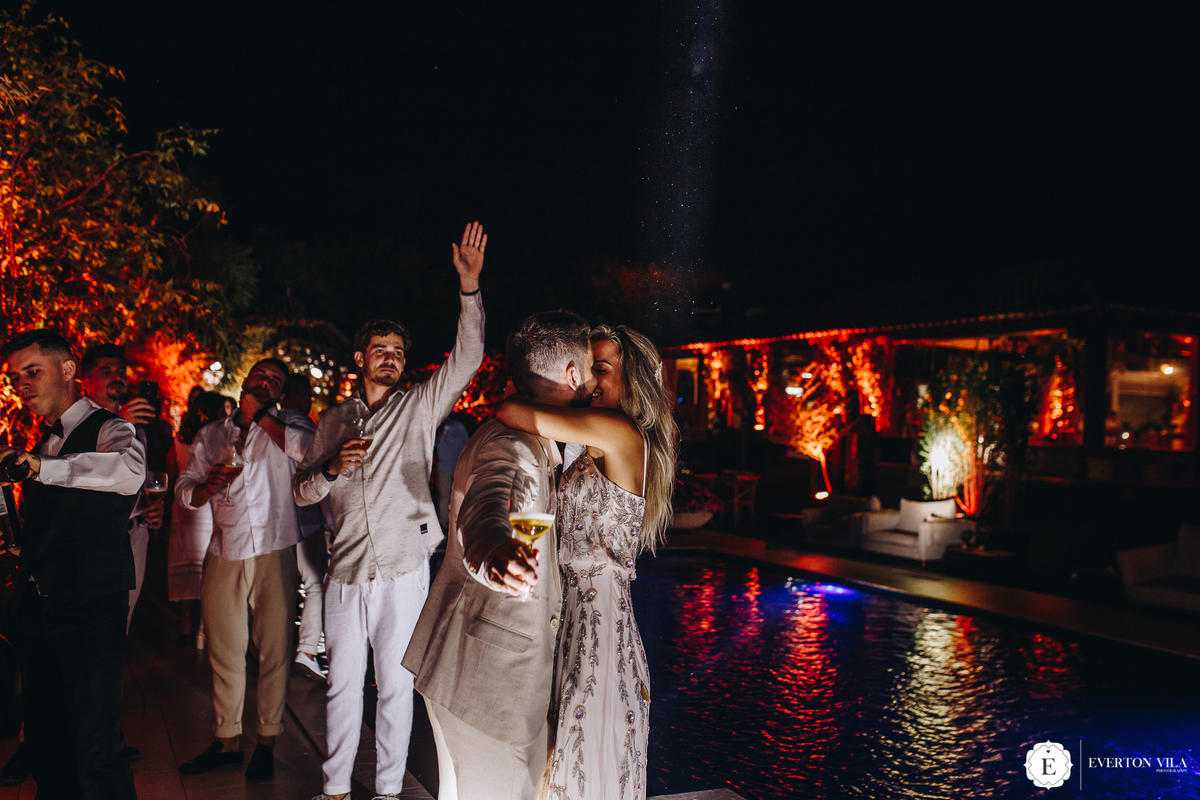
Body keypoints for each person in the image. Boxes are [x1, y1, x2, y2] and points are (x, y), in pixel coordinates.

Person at [294, 221, 487, 800]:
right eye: (381, 350)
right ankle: (334, 790)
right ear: (360, 357)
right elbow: (303, 493)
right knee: (341, 686)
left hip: (403, 569)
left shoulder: (419, 406)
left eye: (399, 352)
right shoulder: (333, 421)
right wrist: (331, 468)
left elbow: (469, 357)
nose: (391, 359)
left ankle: (386, 793)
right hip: (345, 572)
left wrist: (469, 288)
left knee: (396, 688)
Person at [403, 309, 595, 800]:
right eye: (592, 368)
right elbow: (486, 506)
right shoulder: (514, 446)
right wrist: (492, 552)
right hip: (490, 684)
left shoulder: (517, 435)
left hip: (470, 671)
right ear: (572, 375)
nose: (594, 380)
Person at [495, 324, 679, 800]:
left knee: (585, 765)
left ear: (631, 378)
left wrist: (531, 389)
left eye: (601, 369)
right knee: (567, 762)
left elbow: (511, 411)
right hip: (572, 619)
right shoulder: (598, 439)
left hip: (601, 629)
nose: (589, 381)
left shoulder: (618, 431)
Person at [0, 328, 146, 800]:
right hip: (38, 606)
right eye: (15, 376)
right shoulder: (42, 439)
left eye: (32, 371)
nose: (22, 384)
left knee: (96, 749)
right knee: (47, 745)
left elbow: (128, 471)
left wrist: (39, 467)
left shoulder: (112, 428)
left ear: (67, 370)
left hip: (90, 604)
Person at [175, 358, 316, 781]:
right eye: (261, 374)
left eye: (275, 380)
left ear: (280, 393)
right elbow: (184, 486)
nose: (266, 381)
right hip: (224, 549)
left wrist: (261, 418)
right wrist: (203, 489)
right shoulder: (212, 433)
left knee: (275, 648)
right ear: (246, 380)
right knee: (225, 650)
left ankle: (267, 740)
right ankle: (228, 740)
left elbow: (309, 452)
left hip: (275, 546)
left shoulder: (291, 423)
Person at [78, 343, 165, 632]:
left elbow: (138, 476)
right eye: (106, 372)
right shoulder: (78, 422)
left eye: (121, 372)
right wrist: (121, 422)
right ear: (86, 380)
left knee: (122, 623)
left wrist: (153, 506)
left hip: (136, 533)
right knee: (92, 625)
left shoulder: (138, 426)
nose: (118, 377)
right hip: (96, 537)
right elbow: (82, 472)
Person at [278, 371, 334, 683]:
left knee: (281, 587)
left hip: (273, 523)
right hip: (304, 519)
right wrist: (331, 521)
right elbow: (319, 478)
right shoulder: (306, 429)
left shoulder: (267, 428)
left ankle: (279, 649)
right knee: (316, 585)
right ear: (302, 399)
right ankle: (308, 650)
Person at [166, 391, 227, 647]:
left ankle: (186, 623)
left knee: (186, 569)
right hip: (208, 508)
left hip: (182, 510)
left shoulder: (179, 440)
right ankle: (203, 627)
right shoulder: (218, 441)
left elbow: (171, 476)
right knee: (206, 568)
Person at [433, 413, 470, 531]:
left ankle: (460, 522)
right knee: (444, 496)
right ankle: (444, 523)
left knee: (459, 494)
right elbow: (433, 445)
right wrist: (438, 434)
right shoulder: (436, 428)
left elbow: (467, 443)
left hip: (458, 466)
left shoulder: (458, 426)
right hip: (444, 467)